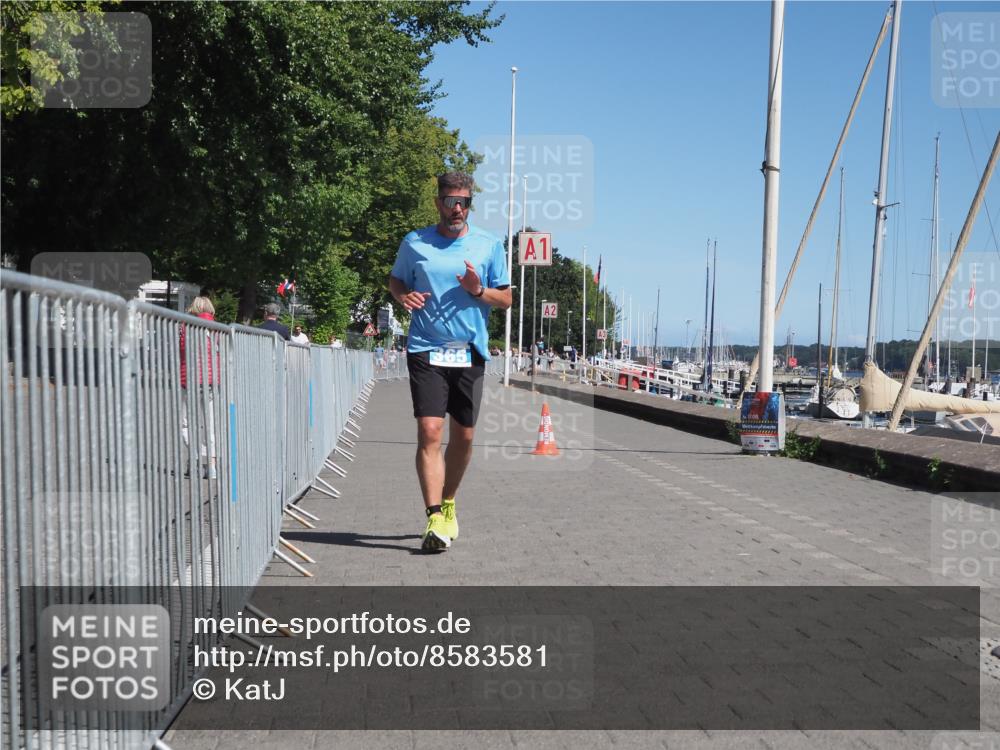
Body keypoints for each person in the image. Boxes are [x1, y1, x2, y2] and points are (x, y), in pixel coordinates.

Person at [388, 171, 511, 551]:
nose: (457, 208)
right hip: (425, 347)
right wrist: (402, 296)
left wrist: (479, 290)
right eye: (450, 201)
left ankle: (449, 501)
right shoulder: (415, 242)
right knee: (429, 431)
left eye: (464, 202)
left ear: (470, 204)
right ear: (438, 202)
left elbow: (506, 299)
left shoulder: (489, 245)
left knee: (464, 436)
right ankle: (434, 517)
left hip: (469, 350)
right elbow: (396, 280)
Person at [179, 296, 219, 480]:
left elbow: (181, 350)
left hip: (189, 379)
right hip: (210, 381)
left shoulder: (185, 326)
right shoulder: (216, 328)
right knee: (209, 425)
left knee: (186, 423)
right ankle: (211, 465)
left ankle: (195, 457)